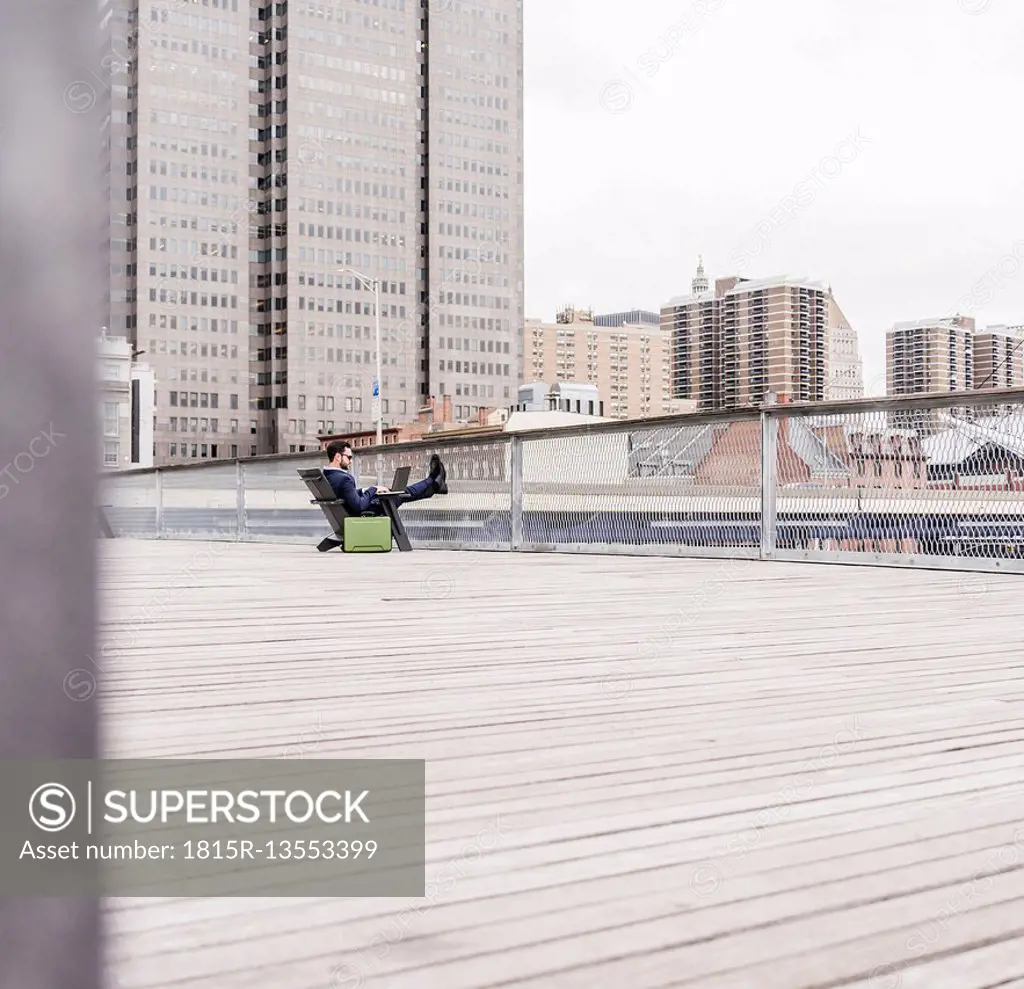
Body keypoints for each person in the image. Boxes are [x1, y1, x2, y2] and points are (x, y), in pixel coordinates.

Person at [323, 440, 447, 516]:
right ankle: (433, 481)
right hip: (370, 509)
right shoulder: (344, 479)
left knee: (400, 492)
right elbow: (359, 506)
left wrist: (365, 490)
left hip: (353, 510)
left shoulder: (328, 475)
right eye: (349, 457)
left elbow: (347, 495)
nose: (350, 461)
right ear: (338, 457)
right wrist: (373, 489)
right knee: (402, 493)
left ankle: (434, 484)